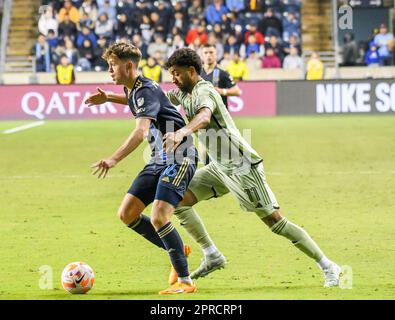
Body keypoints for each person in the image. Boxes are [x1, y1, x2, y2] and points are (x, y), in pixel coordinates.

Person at [163, 48, 342, 288]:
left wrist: (182, 132)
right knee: (178, 200)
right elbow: (159, 98)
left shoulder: (204, 90)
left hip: (242, 168)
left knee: (275, 222)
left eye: (176, 74)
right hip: (219, 168)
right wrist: (116, 97)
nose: (173, 78)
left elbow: (204, 117)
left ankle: (328, 266)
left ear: (192, 72)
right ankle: (212, 255)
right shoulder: (184, 92)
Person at [84, 42, 198, 295]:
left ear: (128, 66)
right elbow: (134, 101)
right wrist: (108, 98)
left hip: (180, 156)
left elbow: (141, 130)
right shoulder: (137, 89)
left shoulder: (144, 89)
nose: (109, 70)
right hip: (159, 158)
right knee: (127, 213)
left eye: (112, 65)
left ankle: (186, 282)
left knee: (159, 217)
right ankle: (178, 249)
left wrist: (114, 158)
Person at [201, 44, 241, 109]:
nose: (208, 55)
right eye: (205, 53)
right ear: (202, 55)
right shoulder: (197, 72)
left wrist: (221, 91)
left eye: (211, 52)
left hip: (220, 114)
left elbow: (237, 91)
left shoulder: (222, 72)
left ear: (216, 55)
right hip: (203, 113)